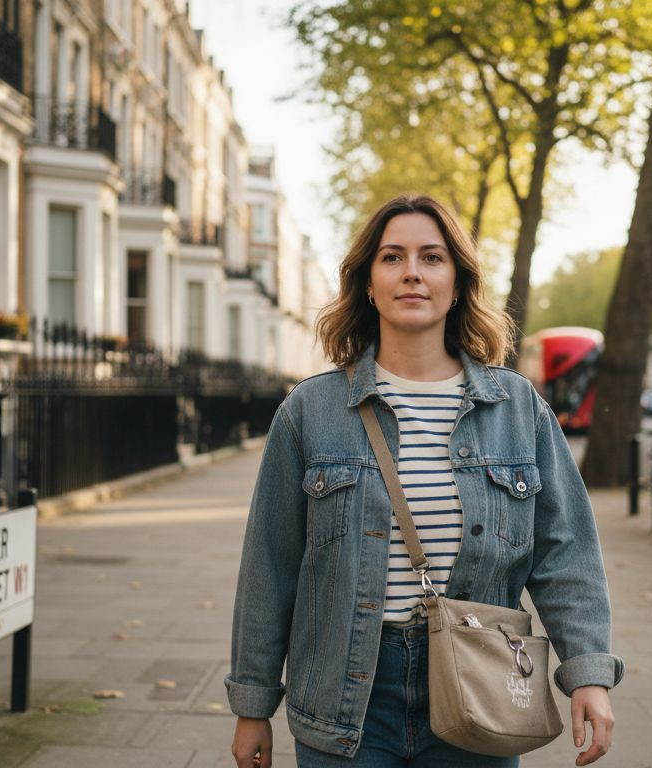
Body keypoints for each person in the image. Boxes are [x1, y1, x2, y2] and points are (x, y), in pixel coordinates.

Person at [227, 195, 623, 768]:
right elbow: (270, 564)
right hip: (346, 698)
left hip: (480, 685)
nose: (412, 271)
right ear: (367, 283)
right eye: (392, 257)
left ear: (458, 282)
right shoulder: (310, 411)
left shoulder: (517, 409)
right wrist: (253, 703)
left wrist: (587, 672)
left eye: (432, 257)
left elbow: (566, 553)